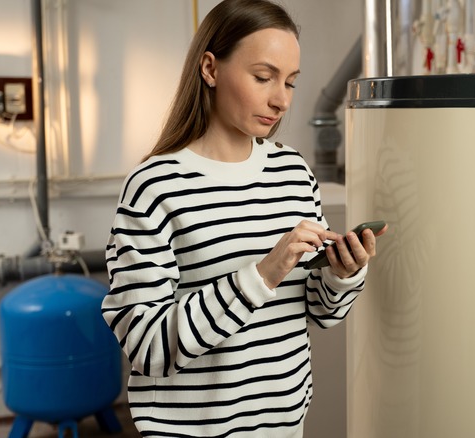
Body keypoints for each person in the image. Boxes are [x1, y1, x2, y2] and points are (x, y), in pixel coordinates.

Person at [100, 1, 386, 436]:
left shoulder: (293, 172)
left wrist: (342, 276)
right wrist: (261, 275)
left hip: (284, 425)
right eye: (263, 77)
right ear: (211, 69)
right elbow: (147, 347)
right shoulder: (154, 186)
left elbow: (318, 312)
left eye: (290, 82)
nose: (281, 100)